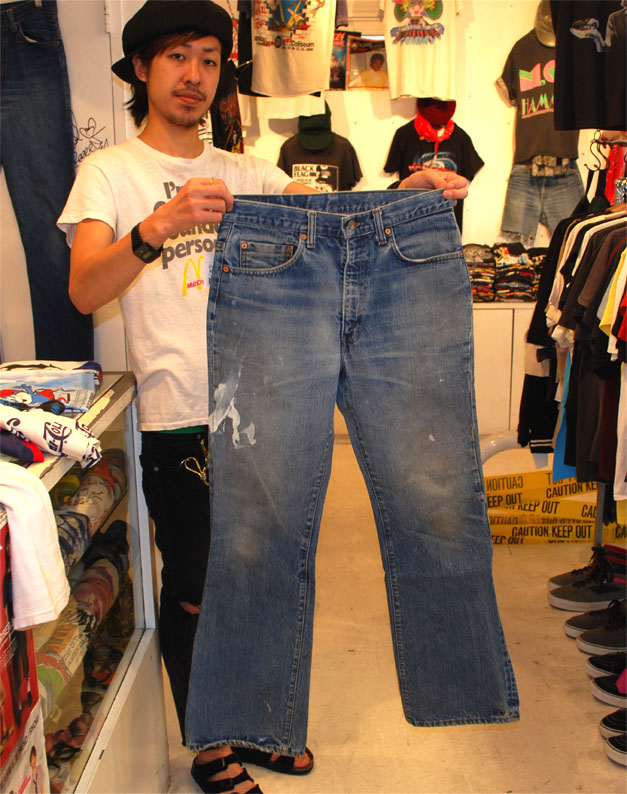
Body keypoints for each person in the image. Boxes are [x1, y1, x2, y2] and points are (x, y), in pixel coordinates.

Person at [57, 2, 469, 792]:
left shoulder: (248, 173)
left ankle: (261, 723)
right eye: (177, 56)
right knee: (199, 588)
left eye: (210, 60)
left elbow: (336, 226)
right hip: (181, 413)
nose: (194, 76)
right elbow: (83, 290)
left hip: (273, 405)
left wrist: (403, 194)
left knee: (273, 574)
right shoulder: (110, 171)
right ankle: (210, 741)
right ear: (141, 68)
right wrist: (158, 226)